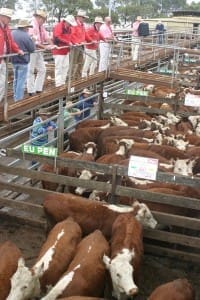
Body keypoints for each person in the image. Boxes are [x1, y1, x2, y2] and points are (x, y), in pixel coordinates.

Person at [27, 10, 54, 96]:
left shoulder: (41, 26)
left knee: (42, 69)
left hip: (38, 50)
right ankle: (31, 91)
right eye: (43, 19)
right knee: (30, 70)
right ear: (38, 18)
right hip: (31, 50)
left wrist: (52, 45)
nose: (44, 21)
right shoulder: (32, 25)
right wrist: (45, 47)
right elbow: (33, 41)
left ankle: (38, 88)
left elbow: (46, 36)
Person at [0, 7, 24, 102]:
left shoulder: (6, 28)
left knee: (3, 83)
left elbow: (10, 41)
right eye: (8, 17)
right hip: (1, 58)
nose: (9, 19)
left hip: (3, 59)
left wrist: (17, 50)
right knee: (1, 83)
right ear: (2, 16)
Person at [11, 19, 35, 101]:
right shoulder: (26, 36)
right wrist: (33, 41)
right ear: (25, 27)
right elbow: (32, 49)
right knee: (21, 81)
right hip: (23, 61)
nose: (28, 29)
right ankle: (18, 99)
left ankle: (15, 97)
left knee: (16, 79)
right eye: (27, 27)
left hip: (14, 60)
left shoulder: (12, 33)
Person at [52, 15, 77, 87]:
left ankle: (62, 82)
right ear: (66, 22)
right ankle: (58, 84)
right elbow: (57, 37)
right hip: (59, 50)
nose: (70, 25)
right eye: (70, 23)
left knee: (66, 66)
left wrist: (73, 43)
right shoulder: (59, 26)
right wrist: (67, 42)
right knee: (59, 67)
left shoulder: (68, 28)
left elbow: (70, 38)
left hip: (65, 50)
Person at [71, 9, 89, 79]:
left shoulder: (82, 25)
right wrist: (78, 42)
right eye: (83, 17)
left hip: (80, 46)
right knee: (73, 62)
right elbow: (72, 35)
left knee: (80, 62)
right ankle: (71, 78)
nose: (84, 19)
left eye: (84, 18)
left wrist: (87, 40)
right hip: (75, 46)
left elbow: (84, 34)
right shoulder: (74, 24)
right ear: (79, 17)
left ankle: (77, 77)